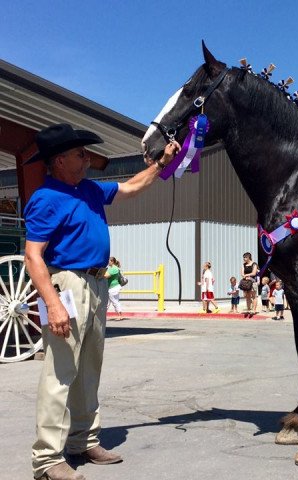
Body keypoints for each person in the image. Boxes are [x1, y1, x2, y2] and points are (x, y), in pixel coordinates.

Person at [23, 123, 180, 480]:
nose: (87, 157)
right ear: (59, 160)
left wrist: (161, 162)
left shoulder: (90, 190)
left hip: (96, 284)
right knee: (60, 373)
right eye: (80, 153)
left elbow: (133, 186)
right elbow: (34, 257)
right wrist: (53, 303)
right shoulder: (46, 199)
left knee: (89, 369)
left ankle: (83, 440)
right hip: (67, 283)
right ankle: (47, 460)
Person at [104, 256, 124, 321]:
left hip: (113, 288)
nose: (107, 262)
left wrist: (100, 273)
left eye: (108, 261)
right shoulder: (111, 268)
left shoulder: (114, 269)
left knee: (115, 302)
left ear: (112, 261)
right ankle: (103, 316)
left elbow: (106, 276)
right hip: (111, 288)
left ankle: (120, 315)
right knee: (107, 303)